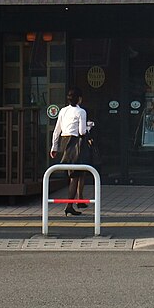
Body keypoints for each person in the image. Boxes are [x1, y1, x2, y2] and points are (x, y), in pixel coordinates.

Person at [50, 87, 87, 216]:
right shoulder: (81, 112)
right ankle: (69, 205)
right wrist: (88, 126)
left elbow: (57, 130)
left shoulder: (63, 111)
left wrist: (54, 147)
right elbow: (82, 131)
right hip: (75, 143)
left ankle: (74, 202)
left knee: (73, 174)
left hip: (64, 142)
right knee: (75, 176)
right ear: (79, 99)